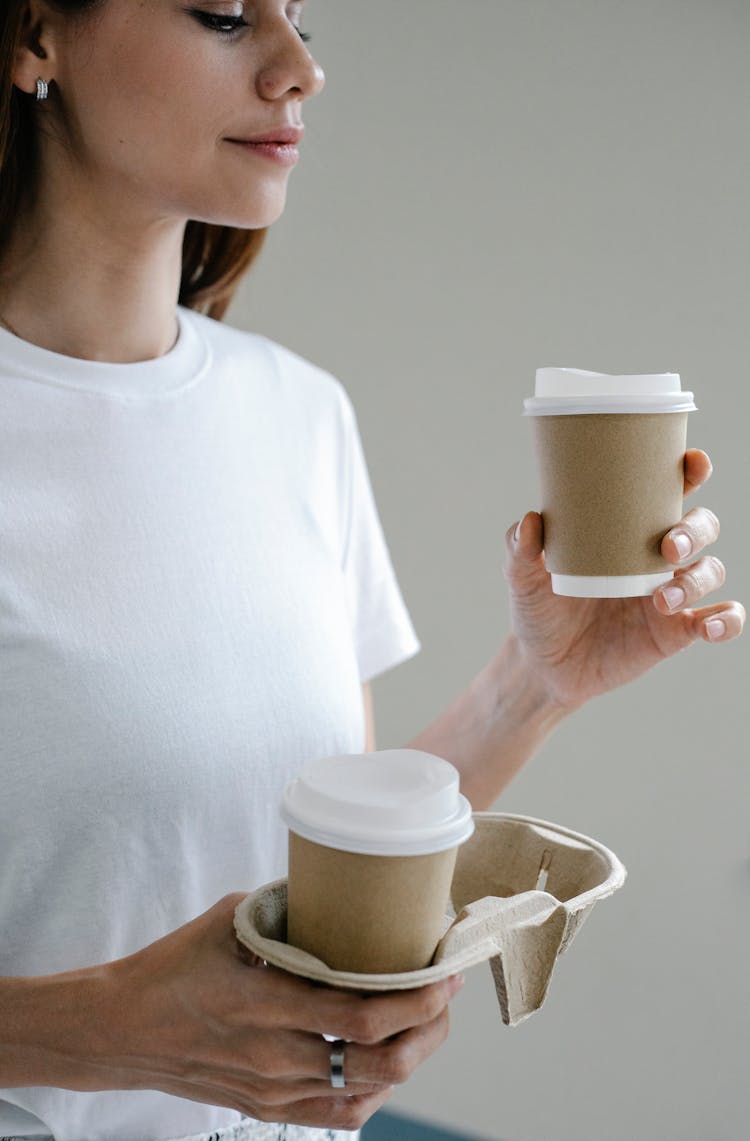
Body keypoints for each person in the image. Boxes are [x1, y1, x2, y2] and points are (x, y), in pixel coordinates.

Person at [0, 2, 744, 1140]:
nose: (300, 71)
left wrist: (535, 685)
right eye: (223, 15)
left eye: (303, 19)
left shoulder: (297, 411)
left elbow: (324, 847)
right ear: (37, 36)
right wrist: (106, 1029)